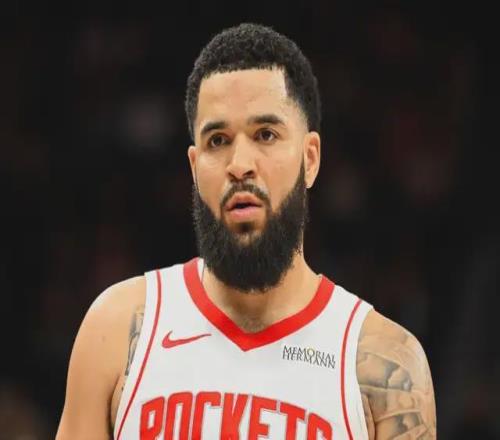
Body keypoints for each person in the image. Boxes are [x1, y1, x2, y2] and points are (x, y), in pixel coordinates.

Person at [56, 23, 436, 440]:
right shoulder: (116, 327)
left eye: (265, 135)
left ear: (310, 158)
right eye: (218, 140)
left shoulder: (386, 366)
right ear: (194, 168)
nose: (240, 164)